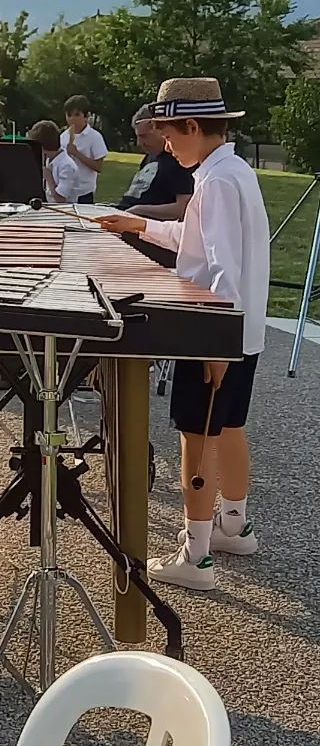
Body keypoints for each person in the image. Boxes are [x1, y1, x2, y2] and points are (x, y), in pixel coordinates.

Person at [97, 78, 269, 592]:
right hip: (245, 329)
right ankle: (233, 526)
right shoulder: (232, 171)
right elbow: (197, 238)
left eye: (169, 135)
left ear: (192, 126)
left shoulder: (215, 182)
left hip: (214, 329)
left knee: (195, 437)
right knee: (231, 426)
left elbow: (221, 269)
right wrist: (137, 226)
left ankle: (195, 558)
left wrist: (212, 341)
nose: (167, 145)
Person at [118, 104, 195, 220]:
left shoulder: (178, 161)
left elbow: (184, 208)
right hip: (124, 214)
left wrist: (138, 210)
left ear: (160, 131)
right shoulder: (150, 156)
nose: (139, 143)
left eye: (144, 136)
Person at [61, 95, 108, 204]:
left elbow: (98, 167)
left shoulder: (94, 137)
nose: (72, 119)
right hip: (65, 190)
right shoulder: (63, 136)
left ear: (86, 116)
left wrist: (77, 153)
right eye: (69, 115)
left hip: (84, 192)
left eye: (77, 115)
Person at [28, 120, 82, 203]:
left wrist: (49, 177)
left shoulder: (67, 166)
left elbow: (60, 199)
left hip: (66, 211)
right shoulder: (48, 160)